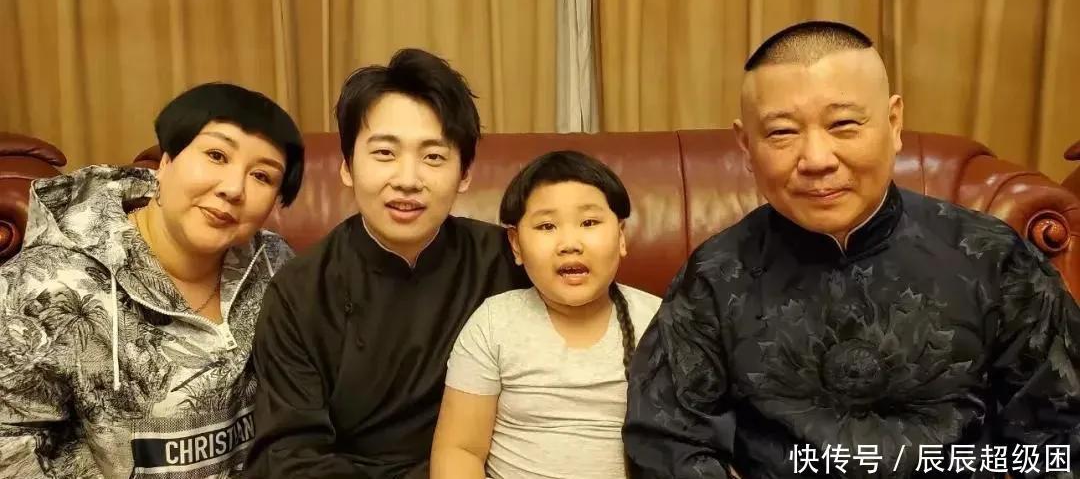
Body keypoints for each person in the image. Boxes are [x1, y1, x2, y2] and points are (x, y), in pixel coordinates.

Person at [624, 21, 1080, 478]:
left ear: (894, 123)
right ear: (746, 145)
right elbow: (668, 442)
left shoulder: (991, 257)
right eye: (782, 132)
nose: (817, 160)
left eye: (843, 124)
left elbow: (1063, 434)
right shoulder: (715, 276)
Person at [245, 48, 529, 479]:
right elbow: (290, 456)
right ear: (347, 166)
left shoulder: (510, 261)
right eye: (384, 153)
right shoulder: (300, 292)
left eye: (433, 157)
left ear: (465, 174)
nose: (407, 180)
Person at [0, 83, 304, 478]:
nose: (233, 189)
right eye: (216, 155)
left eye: (262, 176)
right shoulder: (45, 285)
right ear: (166, 161)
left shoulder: (276, 264)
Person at [430, 150, 660, 479]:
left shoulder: (660, 322)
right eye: (547, 226)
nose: (569, 243)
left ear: (621, 235)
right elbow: (459, 450)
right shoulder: (494, 323)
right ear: (516, 245)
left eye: (589, 223)